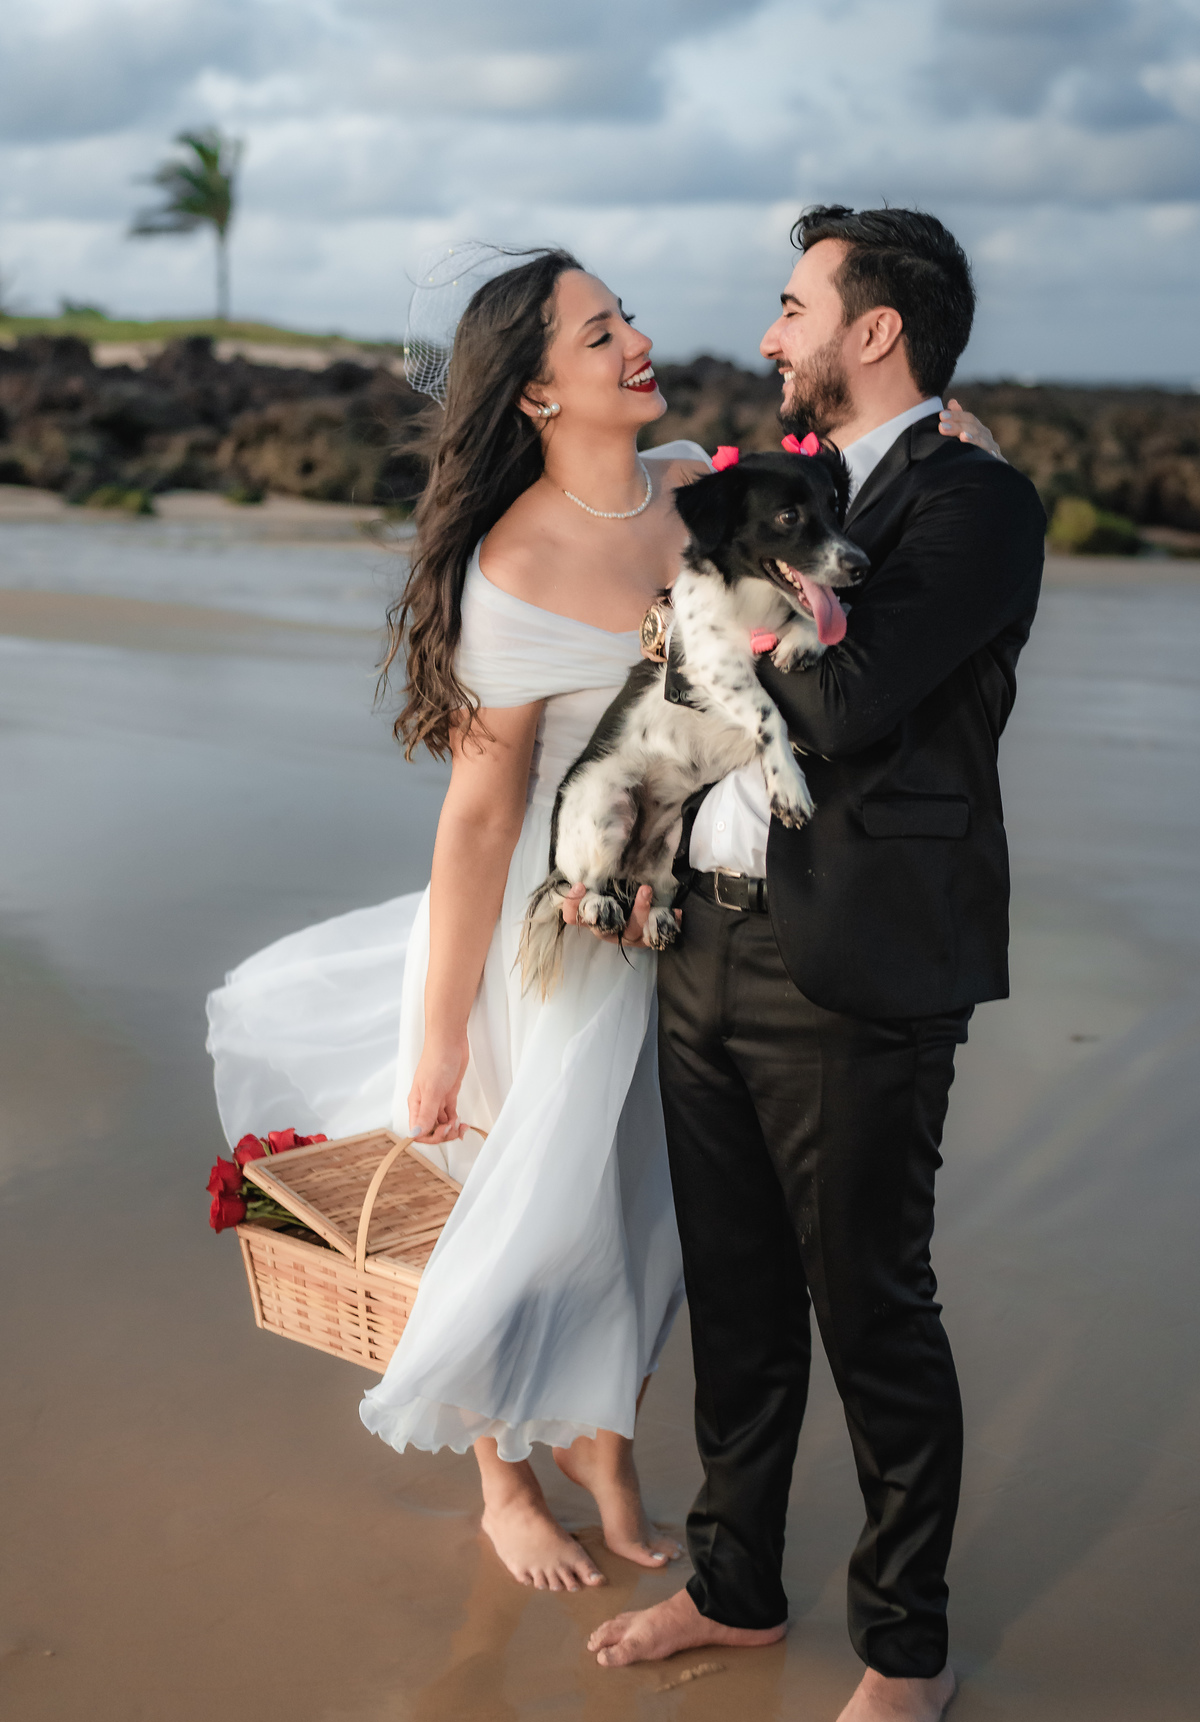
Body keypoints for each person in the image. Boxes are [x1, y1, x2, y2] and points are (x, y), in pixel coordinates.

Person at [205, 240, 1001, 1604]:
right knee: (526, 1198)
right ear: (534, 393)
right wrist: (442, 1030)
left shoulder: (693, 482)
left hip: (678, 907)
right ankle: (507, 1484)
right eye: (596, 334)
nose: (635, 340)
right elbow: (477, 818)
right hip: (552, 921)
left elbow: (834, 492)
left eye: (624, 314)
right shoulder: (513, 562)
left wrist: (954, 444)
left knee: (641, 1207)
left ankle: (602, 1444)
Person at [580, 206, 1046, 1722]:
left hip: (854, 964)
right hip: (701, 943)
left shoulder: (975, 501)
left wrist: (715, 596)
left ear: (875, 330)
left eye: (794, 306)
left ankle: (907, 1646)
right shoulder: (796, 491)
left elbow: (846, 701)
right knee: (737, 1299)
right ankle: (736, 1587)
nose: (771, 334)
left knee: (872, 1309)